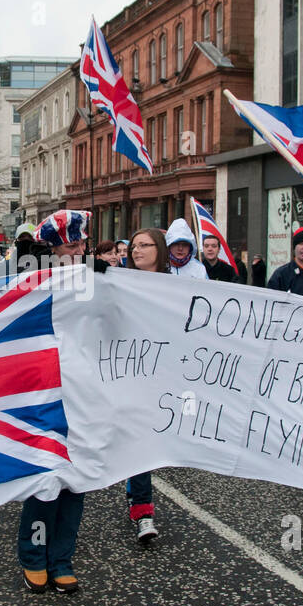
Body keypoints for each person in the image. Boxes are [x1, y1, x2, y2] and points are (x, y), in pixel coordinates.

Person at [18, 210, 90, 594]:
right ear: (52, 248)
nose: (79, 251)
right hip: (42, 392)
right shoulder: (31, 281)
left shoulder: (95, 279)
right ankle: (33, 556)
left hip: (83, 391)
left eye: (81, 244)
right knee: (46, 478)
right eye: (70, 245)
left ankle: (62, 558)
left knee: (76, 479)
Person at [122, 227, 174, 543]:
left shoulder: (176, 287)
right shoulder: (118, 281)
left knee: (157, 444)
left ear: (160, 249)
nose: (137, 250)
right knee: (137, 445)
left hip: (165, 376)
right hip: (129, 375)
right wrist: (94, 270)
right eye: (134, 245)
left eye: (145, 245)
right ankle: (143, 512)